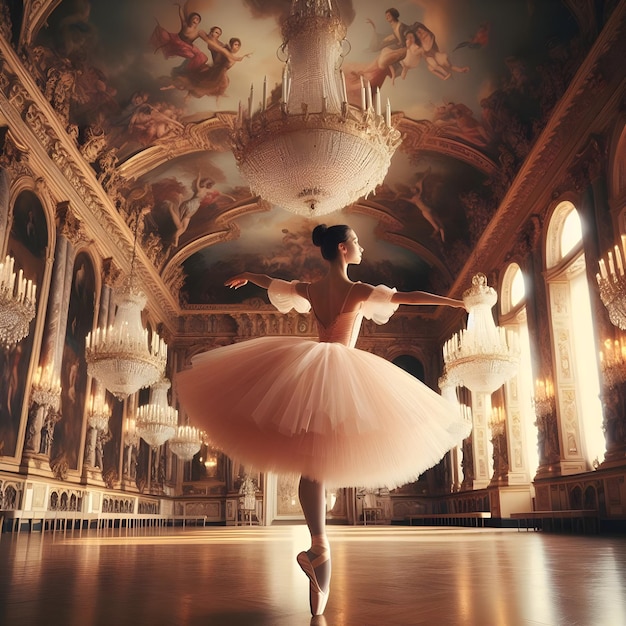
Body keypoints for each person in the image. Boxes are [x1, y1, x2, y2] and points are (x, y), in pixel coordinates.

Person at [176, 224, 471, 616]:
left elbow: (274, 283)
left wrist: (250, 276)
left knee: (312, 468)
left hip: (312, 367)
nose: (362, 246)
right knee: (324, 461)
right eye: (357, 241)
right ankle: (320, 556)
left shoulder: (312, 289)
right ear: (343, 248)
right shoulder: (360, 290)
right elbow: (407, 297)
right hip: (342, 370)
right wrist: (451, 303)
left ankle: (319, 547)